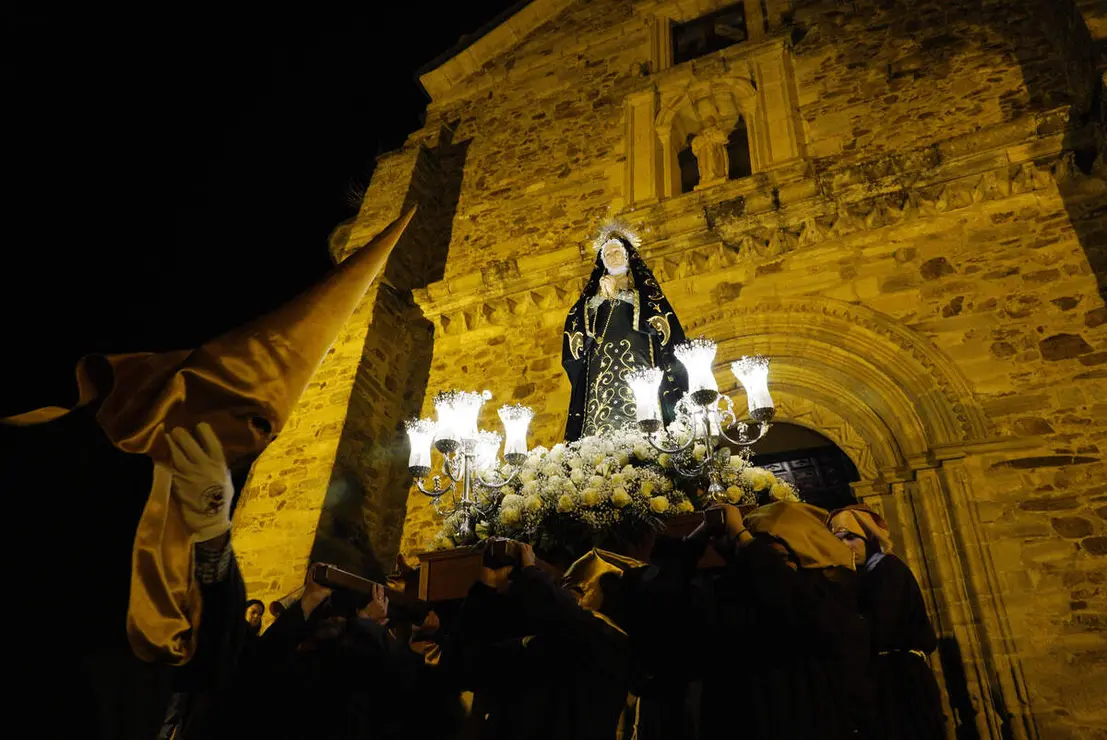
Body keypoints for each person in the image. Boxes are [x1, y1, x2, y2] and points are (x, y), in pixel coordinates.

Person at [0, 207, 416, 740]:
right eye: (253, 425)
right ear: (188, 403)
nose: (247, 450)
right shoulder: (52, 454)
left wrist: (215, 535)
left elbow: (210, 669)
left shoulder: (184, 506)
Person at [692, 502, 875, 740]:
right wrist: (700, 537)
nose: (774, 565)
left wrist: (743, 537)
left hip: (804, 717)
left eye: (780, 557)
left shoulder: (826, 597)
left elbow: (791, 597)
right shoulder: (743, 593)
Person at [446, 539, 632, 740]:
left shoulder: (609, 641)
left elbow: (576, 622)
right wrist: (484, 589)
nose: (565, 592)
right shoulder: (534, 645)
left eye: (578, 589)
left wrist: (531, 572)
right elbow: (460, 666)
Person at [829, 505, 946, 739]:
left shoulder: (888, 569)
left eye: (851, 538)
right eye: (838, 540)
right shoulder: (861, 575)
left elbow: (881, 625)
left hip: (900, 678)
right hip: (881, 676)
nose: (845, 546)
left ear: (870, 538)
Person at [562, 224, 687, 441]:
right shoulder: (592, 298)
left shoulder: (643, 291)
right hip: (601, 364)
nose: (612, 256)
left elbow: (658, 316)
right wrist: (599, 300)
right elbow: (578, 328)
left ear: (627, 256)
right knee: (602, 400)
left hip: (638, 355)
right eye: (607, 253)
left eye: (616, 252)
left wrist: (620, 294)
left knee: (640, 396)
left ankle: (650, 437)